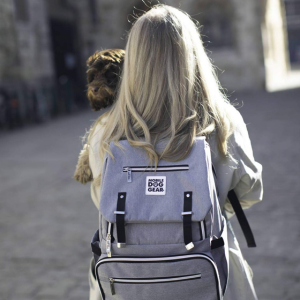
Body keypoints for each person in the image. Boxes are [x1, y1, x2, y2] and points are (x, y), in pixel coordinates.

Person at [79, 4, 263, 300]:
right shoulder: (222, 123)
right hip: (209, 273)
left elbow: (103, 202)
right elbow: (250, 191)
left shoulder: (105, 132)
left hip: (127, 283)